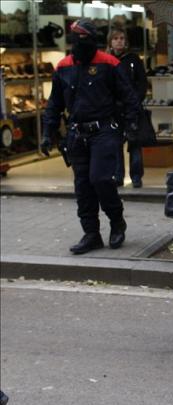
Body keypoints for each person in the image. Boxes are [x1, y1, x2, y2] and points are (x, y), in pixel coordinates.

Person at [42, 19, 140, 254]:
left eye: (85, 37)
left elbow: (129, 96)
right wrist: (48, 132)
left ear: (94, 39)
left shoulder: (109, 63)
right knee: (83, 186)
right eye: (77, 37)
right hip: (77, 134)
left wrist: (131, 125)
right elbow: (54, 104)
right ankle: (91, 234)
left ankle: (117, 222)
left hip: (104, 130)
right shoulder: (63, 67)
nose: (80, 42)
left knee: (101, 179)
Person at [108, 27, 148, 189]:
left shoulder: (133, 60)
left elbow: (142, 82)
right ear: (110, 42)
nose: (119, 41)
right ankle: (118, 176)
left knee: (135, 144)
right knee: (115, 144)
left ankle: (136, 176)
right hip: (113, 109)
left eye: (122, 38)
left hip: (133, 107)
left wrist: (136, 101)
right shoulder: (107, 60)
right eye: (116, 38)